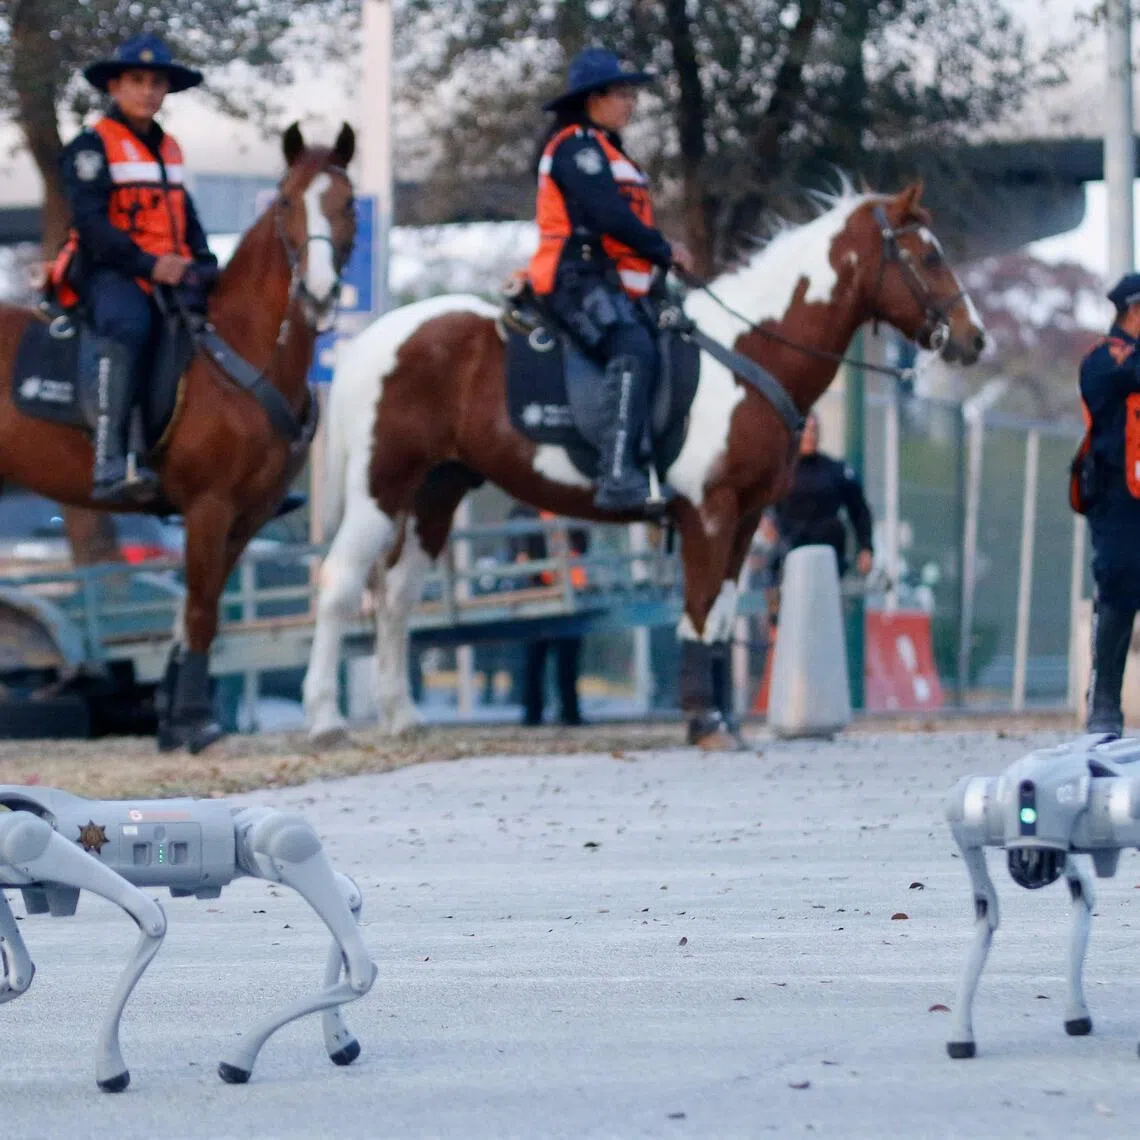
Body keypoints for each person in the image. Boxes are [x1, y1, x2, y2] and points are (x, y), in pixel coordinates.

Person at [527, 47, 695, 512]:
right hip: (573, 276)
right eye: (622, 93)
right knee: (632, 346)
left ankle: (654, 459)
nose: (631, 103)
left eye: (631, 94)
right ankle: (617, 472)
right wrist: (665, 249)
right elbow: (609, 215)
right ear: (593, 98)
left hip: (608, 278)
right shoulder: (576, 147)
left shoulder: (606, 149)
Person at [55, 33, 217, 506]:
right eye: (137, 80)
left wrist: (205, 262)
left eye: (156, 82)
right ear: (115, 86)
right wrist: (149, 264)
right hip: (113, 272)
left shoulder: (170, 148)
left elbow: (184, 214)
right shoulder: (91, 147)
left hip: (171, 271)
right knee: (129, 325)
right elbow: (90, 224)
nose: (148, 91)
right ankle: (110, 460)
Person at [1073, 272, 1140, 736]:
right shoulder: (1103, 357)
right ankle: (1104, 702)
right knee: (1119, 587)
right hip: (1118, 498)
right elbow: (1117, 382)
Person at [508, 504, 588, 726]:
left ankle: (570, 711)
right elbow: (519, 545)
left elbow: (582, 544)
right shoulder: (525, 511)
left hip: (568, 592)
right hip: (538, 594)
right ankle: (533, 712)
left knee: (567, 660)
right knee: (534, 659)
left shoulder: (568, 509)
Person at [769, 411, 874, 581]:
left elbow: (859, 511)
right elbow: (759, 506)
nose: (810, 435)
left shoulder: (835, 470)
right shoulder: (779, 471)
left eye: (814, 430)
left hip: (828, 559)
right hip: (787, 557)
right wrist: (766, 525)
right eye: (805, 430)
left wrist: (866, 548)